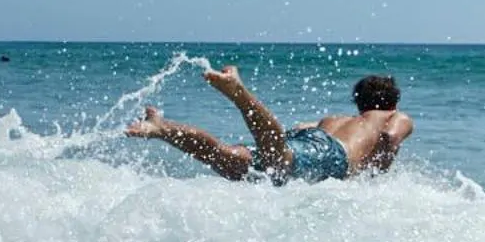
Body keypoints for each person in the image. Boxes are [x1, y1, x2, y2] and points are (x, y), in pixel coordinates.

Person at [125, 67, 413, 183]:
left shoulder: (339, 119)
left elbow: (302, 126)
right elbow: (390, 138)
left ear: (359, 102)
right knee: (279, 156)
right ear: (394, 102)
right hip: (331, 154)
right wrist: (378, 175)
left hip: (311, 139)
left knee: (227, 158)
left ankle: (161, 128)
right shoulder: (394, 116)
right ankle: (239, 93)